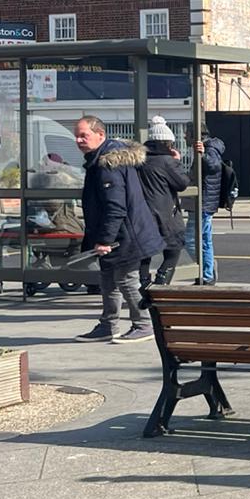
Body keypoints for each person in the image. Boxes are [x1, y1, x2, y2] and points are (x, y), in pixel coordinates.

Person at [73, 115, 165, 344]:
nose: (78, 140)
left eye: (84, 135)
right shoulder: (101, 160)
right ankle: (108, 324)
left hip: (126, 235)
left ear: (100, 135)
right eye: (77, 135)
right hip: (120, 233)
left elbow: (116, 207)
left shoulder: (108, 164)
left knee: (125, 279)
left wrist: (104, 239)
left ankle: (143, 324)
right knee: (108, 279)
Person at [137, 116, 189, 286]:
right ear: (168, 143)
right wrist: (177, 162)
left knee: (144, 254)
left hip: (142, 214)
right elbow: (182, 183)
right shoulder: (167, 161)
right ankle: (161, 283)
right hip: (165, 215)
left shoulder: (139, 160)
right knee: (173, 250)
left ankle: (144, 285)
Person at [194, 132, 231, 284]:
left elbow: (213, 166)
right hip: (207, 201)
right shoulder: (211, 148)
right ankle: (206, 271)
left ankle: (207, 272)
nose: (184, 137)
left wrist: (202, 155)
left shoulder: (210, 149)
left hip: (206, 201)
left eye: (186, 134)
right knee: (203, 239)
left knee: (198, 240)